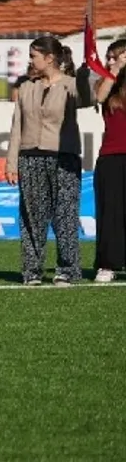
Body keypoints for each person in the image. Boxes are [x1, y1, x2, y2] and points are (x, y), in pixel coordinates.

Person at [6, 36, 94, 286]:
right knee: (31, 217)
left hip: (63, 158)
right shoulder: (26, 87)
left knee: (65, 214)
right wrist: (12, 163)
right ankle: (32, 270)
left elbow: (88, 99)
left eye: (34, 56)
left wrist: (85, 76)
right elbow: (17, 127)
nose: (30, 61)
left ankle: (67, 269)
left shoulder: (71, 85)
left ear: (49, 58)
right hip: (30, 157)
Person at [92, 39, 126, 283]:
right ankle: (108, 264)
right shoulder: (106, 82)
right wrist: (114, 70)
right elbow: (99, 96)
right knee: (110, 213)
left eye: (117, 56)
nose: (112, 61)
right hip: (111, 157)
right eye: (110, 57)